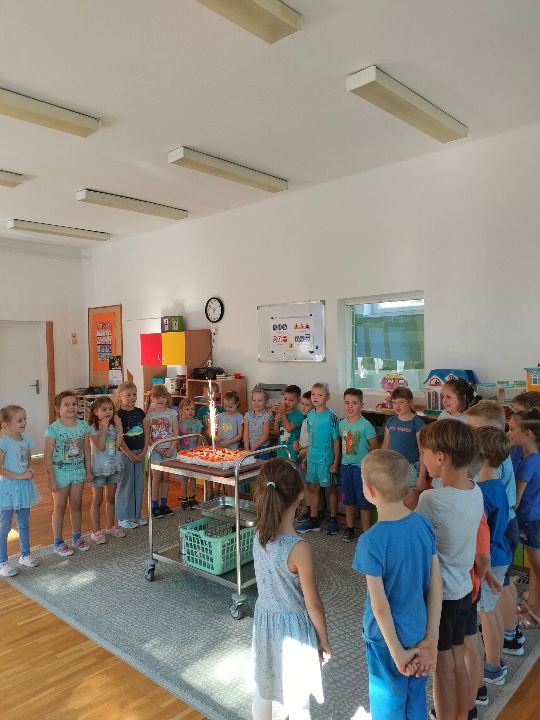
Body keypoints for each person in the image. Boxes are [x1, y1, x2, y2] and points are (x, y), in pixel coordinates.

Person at [353, 449, 442, 720]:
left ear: (369, 491)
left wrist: (397, 653)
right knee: (415, 701)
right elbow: (436, 585)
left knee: (388, 704)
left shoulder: (370, 541)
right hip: (418, 630)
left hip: (385, 642)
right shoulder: (423, 524)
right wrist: (431, 639)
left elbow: (380, 606)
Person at [252, 458, 331, 720]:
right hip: (294, 631)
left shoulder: (258, 534)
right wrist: (324, 639)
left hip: (264, 623)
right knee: (298, 700)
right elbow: (313, 604)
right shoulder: (299, 549)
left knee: (263, 686)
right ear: (300, 494)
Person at [416, 420, 484, 720]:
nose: (422, 459)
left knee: (441, 666)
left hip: (441, 596)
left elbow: (415, 538)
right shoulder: (475, 491)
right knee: (457, 657)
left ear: (440, 457)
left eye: (424, 454)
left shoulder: (430, 499)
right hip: (464, 590)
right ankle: (464, 713)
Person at [466, 400, 524, 657]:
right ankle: (511, 632)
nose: (470, 436)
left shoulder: (492, 466)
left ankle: (507, 636)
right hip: (505, 522)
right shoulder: (500, 456)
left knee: (498, 590)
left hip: (500, 527)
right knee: (504, 583)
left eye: (475, 430)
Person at [475, 426, 512, 686]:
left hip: (490, 559)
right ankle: (497, 655)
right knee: (492, 609)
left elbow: (480, 532)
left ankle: (493, 666)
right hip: (501, 554)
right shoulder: (496, 484)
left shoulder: (484, 492)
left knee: (486, 613)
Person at [44, 391, 92, 556]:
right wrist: (51, 479)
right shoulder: (53, 429)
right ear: (58, 408)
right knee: (60, 507)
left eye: (74, 404)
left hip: (78, 471)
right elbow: (47, 455)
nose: (71, 407)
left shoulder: (83, 425)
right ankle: (58, 542)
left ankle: (77, 537)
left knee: (77, 505)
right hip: (60, 473)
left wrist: (89, 470)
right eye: (67, 404)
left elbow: (87, 449)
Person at [508, 408, 540, 628]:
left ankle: (536, 613)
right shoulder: (533, 458)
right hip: (533, 519)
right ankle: (532, 605)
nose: (508, 433)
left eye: (512, 429)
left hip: (530, 521)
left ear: (527, 434)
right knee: (535, 569)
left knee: (538, 569)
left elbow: (515, 501)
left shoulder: (528, 463)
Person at [0, 405, 41, 576]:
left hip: (24, 487)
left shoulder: (25, 441)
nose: (24, 422)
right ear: (7, 424)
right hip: (8, 489)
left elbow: (28, 459)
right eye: (19, 420)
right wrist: (20, 476)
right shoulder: (3, 443)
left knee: (24, 523)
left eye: (25, 419)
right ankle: (2, 561)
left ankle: (25, 555)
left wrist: (29, 470)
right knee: (4, 526)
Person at [297, 383, 340, 535]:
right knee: (313, 488)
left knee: (330, 489)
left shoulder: (332, 417)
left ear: (327, 397)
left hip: (326, 460)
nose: (315, 397)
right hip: (312, 459)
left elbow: (336, 441)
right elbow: (311, 438)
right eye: (313, 394)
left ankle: (333, 519)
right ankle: (313, 519)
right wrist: (307, 457)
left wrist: (335, 462)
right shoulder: (310, 415)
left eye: (319, 395)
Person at [339, 388, 378, 542]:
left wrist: (369, 466)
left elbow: (374, 447)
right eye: (347, 403)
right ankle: (349, 528)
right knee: (348, 500)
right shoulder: (342, 423)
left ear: (361, 405)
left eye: (354, 403)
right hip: (345, 467)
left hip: (361, 469)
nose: (350, 406)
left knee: (364, 502)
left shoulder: (366, 425)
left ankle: (366, 532)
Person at [87, 396, 125, 544]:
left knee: (111, 498)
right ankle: (96, 531)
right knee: (98, 500)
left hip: (113, 467)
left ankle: (110, 526)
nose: (108, 412)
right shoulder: (92, 428)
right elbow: (101, 447)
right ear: (96, 412)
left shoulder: (113, 427)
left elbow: (117, 446)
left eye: (110, 409)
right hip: (99, 469)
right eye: (104, 409)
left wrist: (120, 428)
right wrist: (103, 429)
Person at [382, 387, 427, 509]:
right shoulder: (390, 422)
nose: (397, 406)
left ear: (410, 402)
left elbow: (423, 453)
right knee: (395, 503)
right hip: (393, 467)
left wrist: (422, 476)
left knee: (410, 503)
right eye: (394, 402)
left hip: (410, 468)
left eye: (401, 402)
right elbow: (385, 447)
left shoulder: (418, 424)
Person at [430, 378, 478, 490]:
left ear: (462, 398)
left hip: (461, 468)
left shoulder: (472, 419)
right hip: (443, 465)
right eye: (443, 397)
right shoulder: (443, 415)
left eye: (448, 397)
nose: (444, 401)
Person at [116, 381, 149, 530]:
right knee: (126, 485)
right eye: (128, 395)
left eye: (134, 394)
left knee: (139, 485)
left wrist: (144, 450)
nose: (132, 397)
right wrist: (130, 455)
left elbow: (146, 431)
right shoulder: (118, 415)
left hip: (140, 453)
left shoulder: (140, 412)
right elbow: (119, 438)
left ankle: (136, 514)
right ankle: (124, 517)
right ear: (120, 396)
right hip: (125, 455)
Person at [146, 385, 178, 519]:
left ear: (167, 398)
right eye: (157, 397)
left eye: (163, 397)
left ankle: (164, 504)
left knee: (165, 478)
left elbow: (175, 434)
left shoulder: (172, 413)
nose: (160, 400)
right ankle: (154, 505)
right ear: (151, 399)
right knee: (156, 478)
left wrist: (171, 449)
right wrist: (157, 448)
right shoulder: (149, 415)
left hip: (169, 450)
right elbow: (148, 436)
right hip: (155, 450)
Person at [177, 398, 203, 509]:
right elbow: (177, 438)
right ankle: (184, 498)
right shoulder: (179, 423)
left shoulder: (197, 423)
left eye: (192, 409)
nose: (190, 411)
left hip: (193, 454)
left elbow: (199, 437)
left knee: (193, 476)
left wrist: (198, 449)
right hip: (183, 453)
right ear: (181, 411)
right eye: (187, 409)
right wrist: (179, 449)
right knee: (184, 477)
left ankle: (192, 497)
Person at [294, 390, 314, 523]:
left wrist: (307, 450)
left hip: (311, 457)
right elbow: (303, 438)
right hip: (302, 457)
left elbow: (316, 440)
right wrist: (297, 443)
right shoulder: (305, 420)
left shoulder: (314, 421)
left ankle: (310, 511)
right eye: (302, 404)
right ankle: (306, 509)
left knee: (310, 486)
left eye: (307, 405)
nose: (303, 407)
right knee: (304, 485)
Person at [273, 385, 304, 462]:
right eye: (285, 399)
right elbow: (276, 432)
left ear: (299, 401)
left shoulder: (298, 415)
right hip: (281, 451)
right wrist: (276, 422)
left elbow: (289, 429)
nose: (287, 402)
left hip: (292, 453)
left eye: (291, 400)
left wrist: (283, 413)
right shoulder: (282, 413)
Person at [243, 388, 272, 458]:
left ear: (265, 402)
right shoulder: (247, 415)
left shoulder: (266, 416)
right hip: (250, 448)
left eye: (260, 400)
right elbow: (245, 434)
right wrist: (247, 449)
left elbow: (265, 436)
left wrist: (252, 449)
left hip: (263, 449)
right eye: (254, 400)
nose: (256, 403)